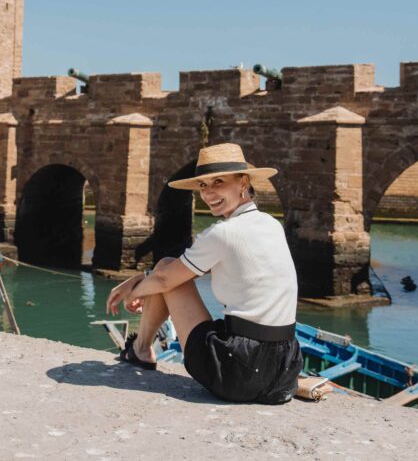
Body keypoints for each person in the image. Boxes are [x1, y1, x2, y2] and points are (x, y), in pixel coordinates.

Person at [105, 142, 302, 404]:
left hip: (238, 374)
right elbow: (184, 270)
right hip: (284, 372)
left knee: (165, 269)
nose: (208, 194)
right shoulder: (271, 224)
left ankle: (141, 349)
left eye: (218, 182)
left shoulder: (222, 233)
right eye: (203, 186)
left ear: (243, 183)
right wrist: (142, 279)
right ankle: (140, 349)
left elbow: (166, 279)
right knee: (166, 266)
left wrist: (132, 292)